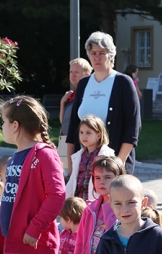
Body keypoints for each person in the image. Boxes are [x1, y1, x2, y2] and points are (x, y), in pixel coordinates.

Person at [0, 96, 66, 254]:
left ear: (15, 126)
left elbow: (57, 195)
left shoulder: (44, 155)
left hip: (34, 244)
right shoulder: (16, 156)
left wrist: (34, 229)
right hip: (12, 241)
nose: (2, 126)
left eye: (4, 121)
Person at [66, 31, 141, 175]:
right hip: (84, 163)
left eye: (102, 52)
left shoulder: (123, 83)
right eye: (93, 53)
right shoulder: (83, 84)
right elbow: (73, 128)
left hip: (112, 162)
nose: (97, 57)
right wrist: (71, 166)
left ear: (111, 55)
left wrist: (119, 162)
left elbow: (133, 127)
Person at [65, 115, 115, 200]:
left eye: (88, 133)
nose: (84, 136)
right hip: (79, 200)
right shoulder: (79, 155)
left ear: (98, 135)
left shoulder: (105, 155)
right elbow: (73, 180)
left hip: (95, 200)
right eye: (81, 132)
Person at [59, 58, 92, 174]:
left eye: (76, 72)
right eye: (71, 72)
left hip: (80, 141)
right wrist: (63, 103)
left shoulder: (88, 95)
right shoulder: (71, 96)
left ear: (86, 75)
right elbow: (63, 121)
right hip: (67, 139)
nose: (72, 75)